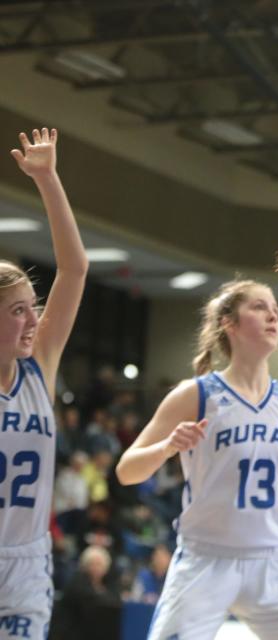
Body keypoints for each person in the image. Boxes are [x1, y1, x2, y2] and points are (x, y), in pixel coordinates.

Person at [116, 279, 278, 639]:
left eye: (275, 310)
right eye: (259, 307)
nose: (272, 316)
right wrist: (167, 448)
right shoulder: (196, 394)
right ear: (229, 324)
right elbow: (127, 471)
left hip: (274, 559)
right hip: (206, 558)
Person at [0, 127, 88, 640]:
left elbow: (74, 270)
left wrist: (49, 179)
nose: (33, 321)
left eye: (33, 308)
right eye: (17, 311)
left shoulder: (40, 367)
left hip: (27, 562)